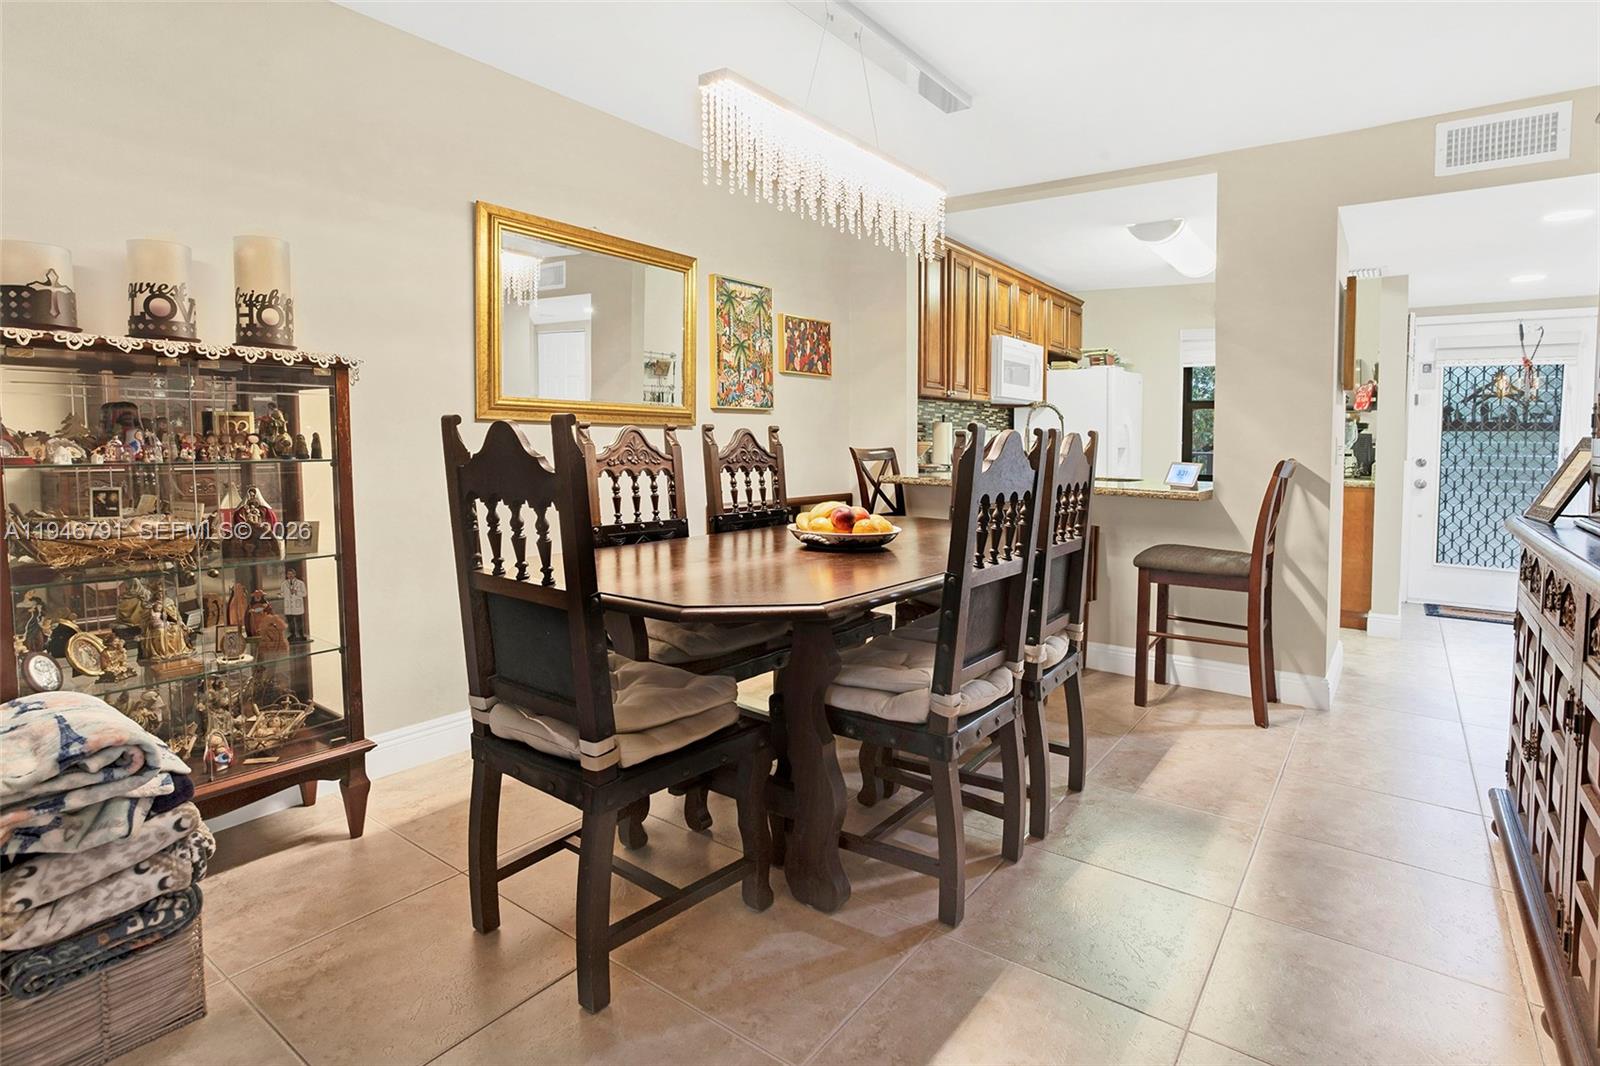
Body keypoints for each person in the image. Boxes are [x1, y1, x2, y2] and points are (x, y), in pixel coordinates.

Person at [282, 568, 308, 643]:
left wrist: (296, 592)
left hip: (297, 605)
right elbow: (283, 593)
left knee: (299, 621)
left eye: (291, 574)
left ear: (294, 574)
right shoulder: (284, 584)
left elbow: (304, 594)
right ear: (287, 575)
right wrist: (280, 595)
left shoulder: (300, 583)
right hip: (288, 606)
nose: (290, 575)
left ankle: (301, 635)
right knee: (290, 622)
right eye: (288, 574)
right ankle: (292, 635)